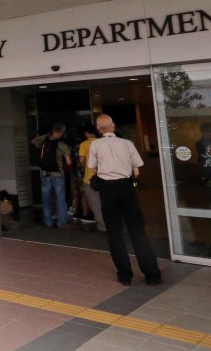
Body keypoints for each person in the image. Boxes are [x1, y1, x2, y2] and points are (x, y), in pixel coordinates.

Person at [87, 114, 162, 286]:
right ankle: (152, 274)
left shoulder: (95, 144)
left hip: (107, 189)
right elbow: (136, 170)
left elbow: (92, 167)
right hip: (127, 188)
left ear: (98, 128)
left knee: (114, 233)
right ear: (113, 125)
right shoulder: (127, 143)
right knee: (137, 231)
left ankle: (125, 275)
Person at [32, 123, 74, 229]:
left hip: (44, 174)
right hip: (58, 174)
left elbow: (33, 141)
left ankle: (48, 221)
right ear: (62, 132)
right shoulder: (61, 144)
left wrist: (45, 136)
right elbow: (68, 162)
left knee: (46, 198)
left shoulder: (43, 141)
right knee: (60, 198)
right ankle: (61, 222)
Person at [78, 124, 105, 232]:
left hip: (90, 178)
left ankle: (103, 226)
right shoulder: (103, 142)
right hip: (105, 176)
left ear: (86, 133)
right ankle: (113, 223)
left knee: (95, 203)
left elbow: (81, 161)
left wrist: (82, 170)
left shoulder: (84, 144)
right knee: (106, 201)